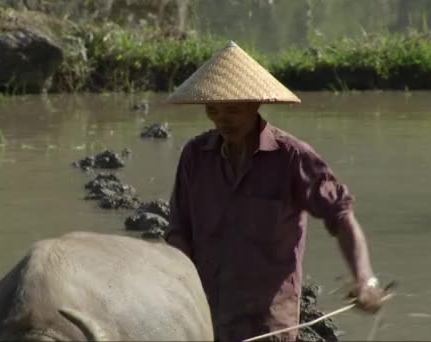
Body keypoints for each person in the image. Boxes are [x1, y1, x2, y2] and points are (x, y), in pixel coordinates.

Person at [164, 41, 386, 342]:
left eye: (233, 109)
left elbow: (341, 216)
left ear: (256, 104)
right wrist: (176, 291)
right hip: (203, 317)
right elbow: (179, 231)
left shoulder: (292, 158)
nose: (222, 120)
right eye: (213, 109)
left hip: (268, 324)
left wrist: (365, 279)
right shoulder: (195, 156)